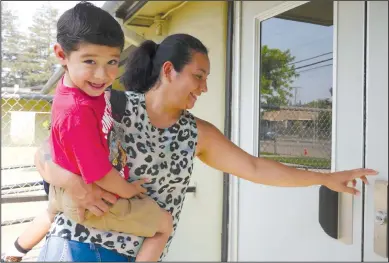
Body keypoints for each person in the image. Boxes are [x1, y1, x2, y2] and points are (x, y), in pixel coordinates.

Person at [34, 33, 377, 262]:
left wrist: (324, 177)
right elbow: (45, 154)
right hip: (77, 245)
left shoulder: (197, 133)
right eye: (199, 76)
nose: (205, 87)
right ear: (169, 71)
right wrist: (72, 183)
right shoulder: (109, 104)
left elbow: (256, 168)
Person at [1, 2, 173, 262]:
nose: (102, 75)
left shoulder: (76, 88)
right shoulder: (77, 111)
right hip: (94, 198)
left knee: (50, 212)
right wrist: (128, 191)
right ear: (61, 55)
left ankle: (14, 252)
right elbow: (100, 174)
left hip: (63, 189)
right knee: (164, 225)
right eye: (90, 61)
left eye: (112, 61)